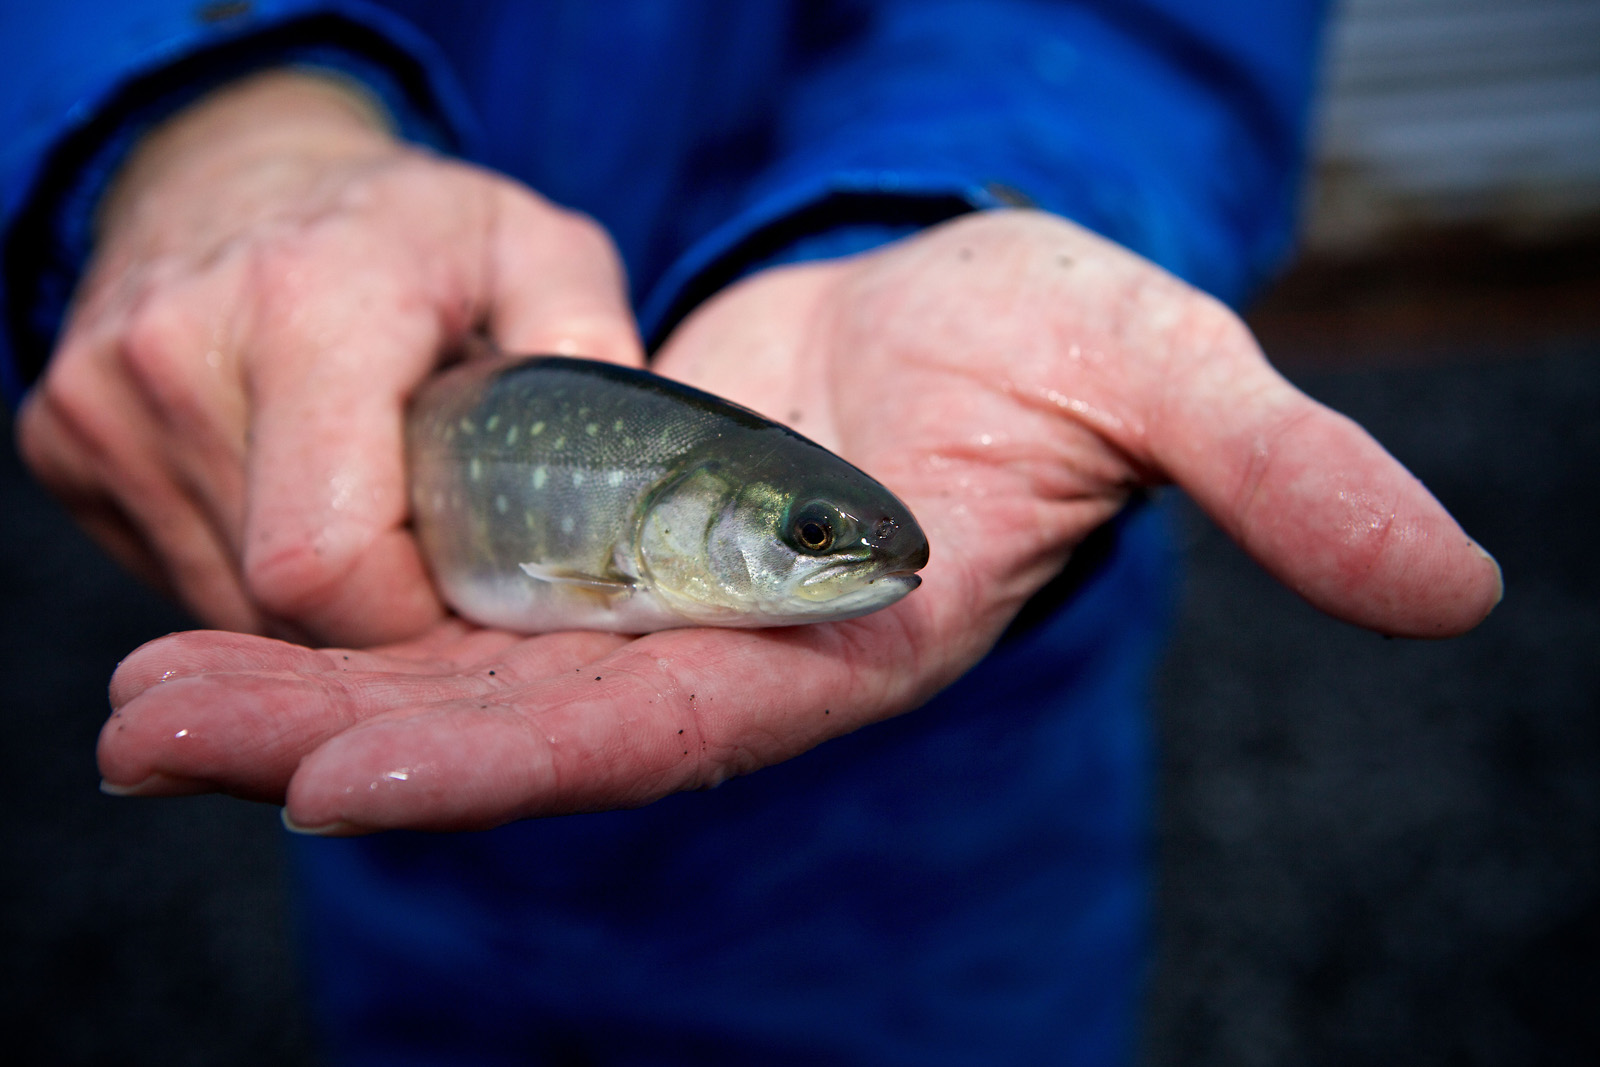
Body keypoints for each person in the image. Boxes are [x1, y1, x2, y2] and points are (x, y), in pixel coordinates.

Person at [2, 2, 1500, 1063]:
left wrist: (966, 199)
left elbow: (1136, 31)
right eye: (803, 539)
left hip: (932, 846)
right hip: (412, 881)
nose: (843, 560)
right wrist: (178, 112)